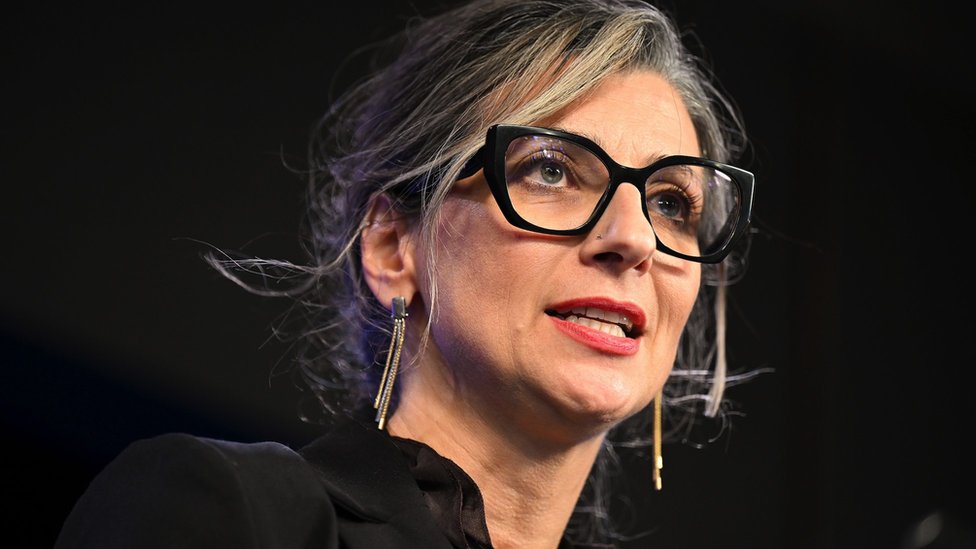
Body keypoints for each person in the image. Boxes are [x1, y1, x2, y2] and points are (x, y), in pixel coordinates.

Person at [54, 0, 756, 547]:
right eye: (551, 169)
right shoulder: (229, 514)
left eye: (671, 202)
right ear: (393, 246)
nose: (633, 238)